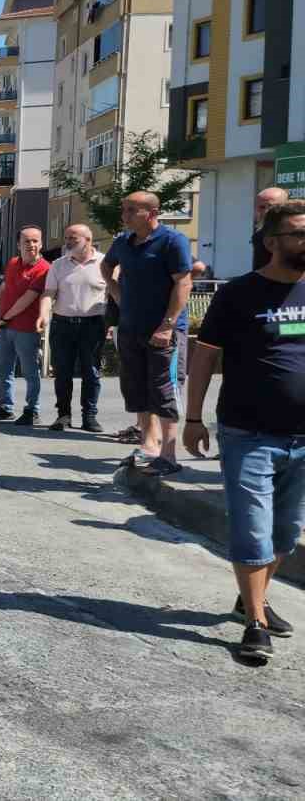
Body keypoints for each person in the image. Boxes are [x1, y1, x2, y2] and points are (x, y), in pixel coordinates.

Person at [183, 200, 305, 662]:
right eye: (298, 234)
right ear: (272, 242)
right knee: (253, 532)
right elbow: (204, 357)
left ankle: (251, 596)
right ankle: (255, 622)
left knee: (286, 534)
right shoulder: (238, 294)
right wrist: (192, 418)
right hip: (249, 433)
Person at [103, 192, 193, 476]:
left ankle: (169, 454)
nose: (125, 215)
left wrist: (167, 325)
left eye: (132, 210)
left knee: (164, 389)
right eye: (124, 209)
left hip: (164, 331)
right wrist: (117, 292)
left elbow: (184, 284)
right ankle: (149, 445)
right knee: (137, 388)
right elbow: (106, 266)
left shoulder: (171, 241)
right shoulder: (123, 243)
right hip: (131, 329)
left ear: (152, 213)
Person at [37, 224, 106, 432]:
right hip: (63, 324)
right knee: (63, 372)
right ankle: (63, 415)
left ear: (88, 240)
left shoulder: (105, 263)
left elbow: (114, 295)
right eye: (66, 238)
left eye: (73, 239)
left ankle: (89, 416)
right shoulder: (58, 265)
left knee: (91, 372)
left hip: (93, 325)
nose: (67, 242)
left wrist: (114, 322)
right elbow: (49, 293)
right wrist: (43, 314)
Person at [0, 226, 49, 426]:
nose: (31, 245)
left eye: (35, 241)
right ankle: (5, 407)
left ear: (41, 243)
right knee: (2, 368)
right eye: (27, 241)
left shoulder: (45, 268)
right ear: (18, 244)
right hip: (5, 327)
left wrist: (5, 318)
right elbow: (3, 290)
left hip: (26, 329)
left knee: (29, 371)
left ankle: (32, 410)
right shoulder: (12, 263)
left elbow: (28, 299)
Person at [252, 186, 289, 273]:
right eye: (262, 207)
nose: (266, 212)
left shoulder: (296, 233)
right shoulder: (259, 234)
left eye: (271, 207)